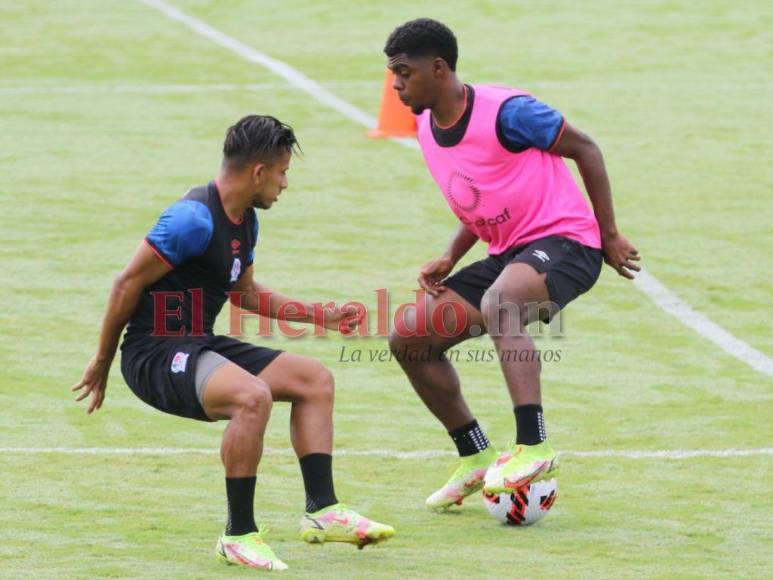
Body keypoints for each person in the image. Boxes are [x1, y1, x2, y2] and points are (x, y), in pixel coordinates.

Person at [71, 115, 394, 571]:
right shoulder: (192, 220)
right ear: (258, 172)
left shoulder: (245, 222)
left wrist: (323, 315)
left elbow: (246, 294)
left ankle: (323, 510)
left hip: (197, 343)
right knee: (252, 397)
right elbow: (126, 284)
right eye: (282, 172)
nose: (285, 183)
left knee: (314, 379)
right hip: (155, 352)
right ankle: (238, 534)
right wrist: (102, 360)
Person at [383, 19, 641, 511]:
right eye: (392, 74)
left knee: (503, 303)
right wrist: (451, 255)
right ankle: (475, 455)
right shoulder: (424, 124)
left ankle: (534, 445)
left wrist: (608, 234)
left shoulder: (510, 113)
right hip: (508, 251)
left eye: (403, 73)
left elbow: (586, 148)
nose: (395, 85)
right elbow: (480, 197)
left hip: (569, 241)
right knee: (410, 338)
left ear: (438, 68)